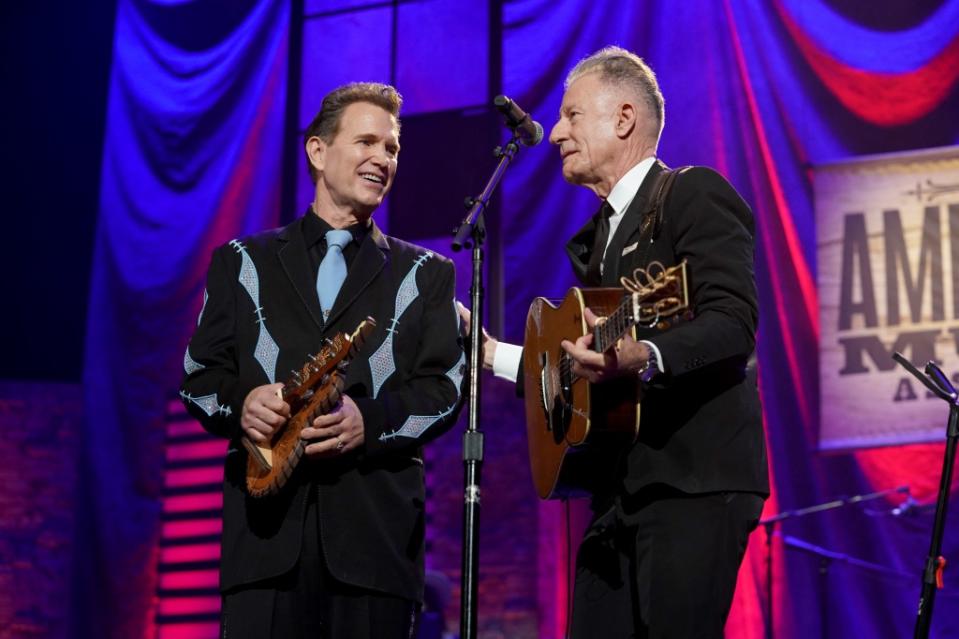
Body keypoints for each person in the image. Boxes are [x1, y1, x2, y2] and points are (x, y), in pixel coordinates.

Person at [472, 47, 769, 637]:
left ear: (624, 118)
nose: (555, 132)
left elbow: (734, 320)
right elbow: (582, 365)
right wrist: (488, 354)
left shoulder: (691, 194)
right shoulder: (601, 235)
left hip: (692, 480)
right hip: (618, 491)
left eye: (572, 115)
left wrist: (648, 354)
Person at [180, 82, 465, 638]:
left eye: (392, 149)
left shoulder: (427, 274)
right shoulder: (241, 262)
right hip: (262, 548)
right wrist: (242, 405)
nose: (382, 159)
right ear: (317, 151)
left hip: (375, 554)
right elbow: (198, 379)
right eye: (366, 142)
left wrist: (372, 422)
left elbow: (446, 392)